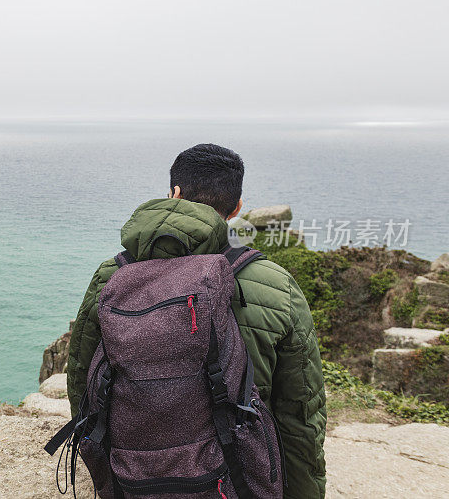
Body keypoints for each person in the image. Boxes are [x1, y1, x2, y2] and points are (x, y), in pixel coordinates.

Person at [65, 143, 326, 498]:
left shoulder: (113, 276)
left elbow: (83, 382)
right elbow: (300, 415)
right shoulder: (277, 285)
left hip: (134, 479)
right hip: (238, 480)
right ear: (236, 209)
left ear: (174, 193)